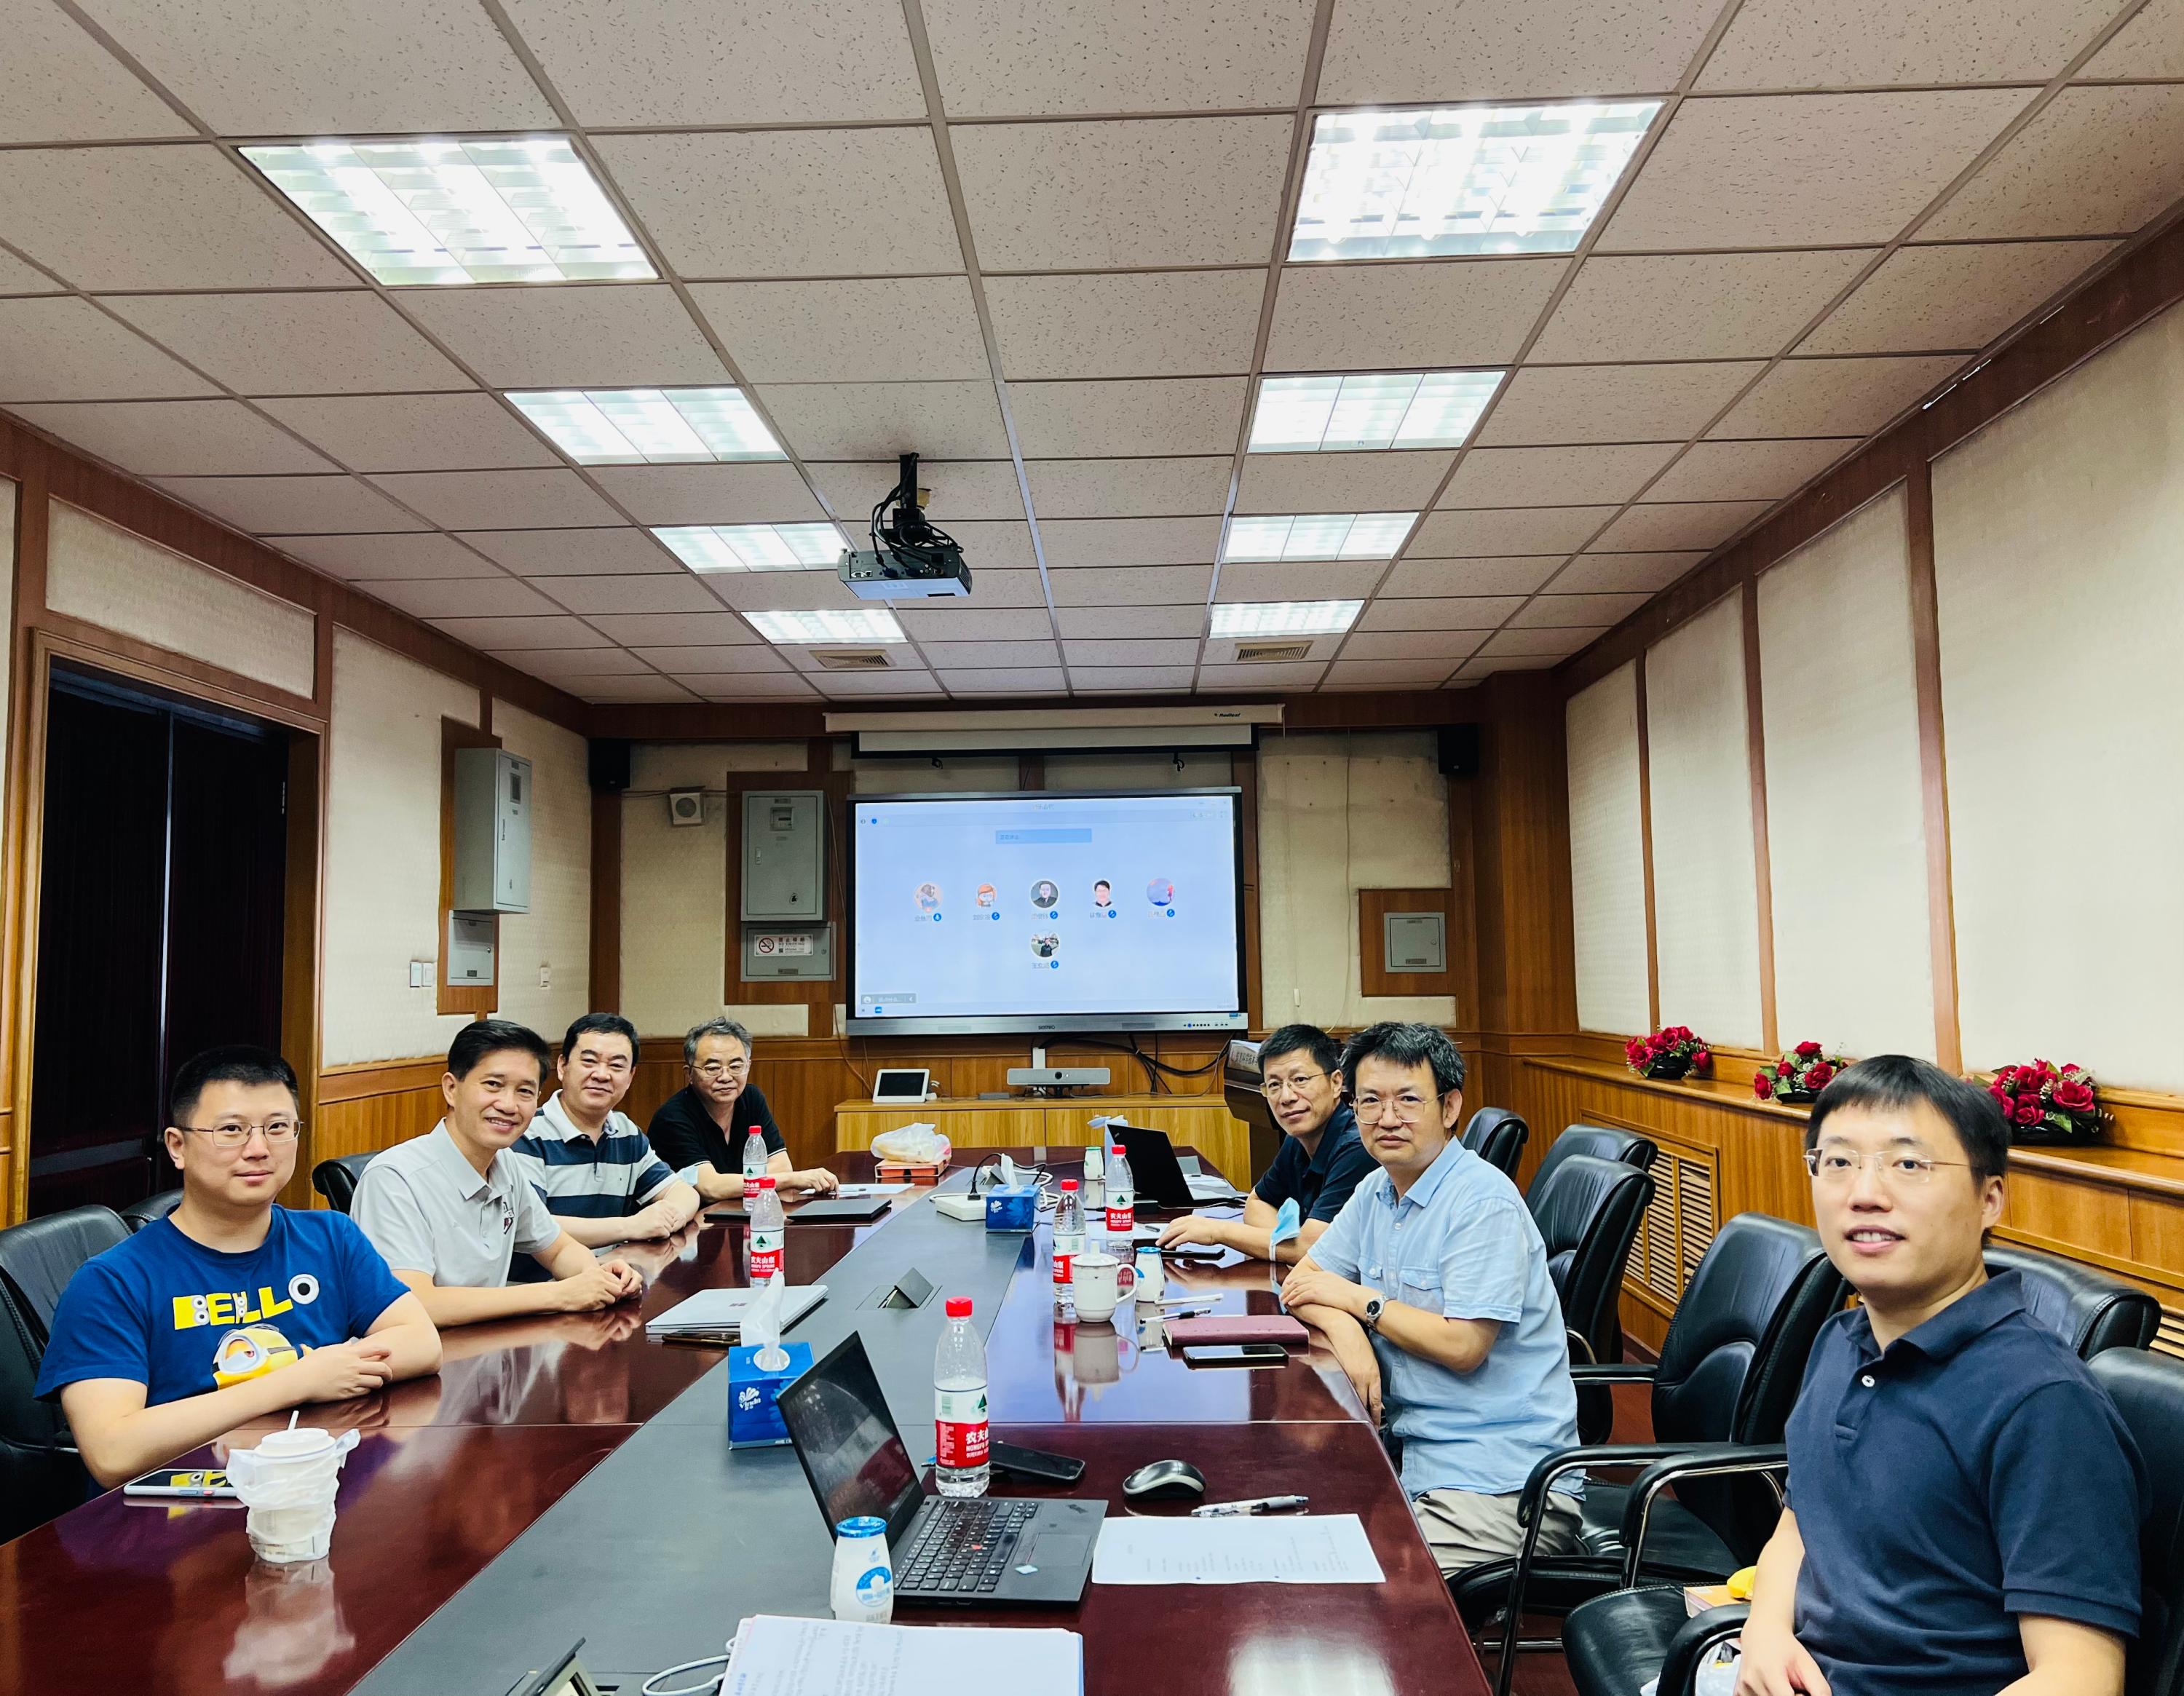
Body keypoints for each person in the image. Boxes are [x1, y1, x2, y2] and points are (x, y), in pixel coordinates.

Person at [1735, 1055, 2145, 1696]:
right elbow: (1802, 1521)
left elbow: (2082, 1678)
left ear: (1990, 1199)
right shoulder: (1840, 1340)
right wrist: (1764, 1630)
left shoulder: (2044, 1403)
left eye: (1908, 1164)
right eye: (1837, 1161)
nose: (1864, 1193)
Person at [34, 1045, 440, 1487]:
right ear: (177, 1147)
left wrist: (318, 1376)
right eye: (231, 1130)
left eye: (278, 1128)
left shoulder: (330, 1237)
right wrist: (298, 1380)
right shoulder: (111, 1282)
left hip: (306, 1485)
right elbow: (113, 1451)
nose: (259, 1149)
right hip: (177, 1509)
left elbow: (421, 1342)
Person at [1280, 1022, 1581, 1578]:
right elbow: (1304, 1281)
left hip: (1499, 1482)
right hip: (1406, 1452)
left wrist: (1363, 1305)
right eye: (1370, 1101)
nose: (1387, 1118)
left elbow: (1463, 1347)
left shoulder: (1481, 1202)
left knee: (1365, 1590)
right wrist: (1348, 1334)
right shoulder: (1378, 1189)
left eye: (1408, 1100)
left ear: (1449, 1107)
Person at [352, 1021, 644, 1328]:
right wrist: (559, 1295)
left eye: (525, 1091)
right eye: (493, 1085)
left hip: (488, 1345)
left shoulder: (505, 1163)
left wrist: (599, 1277)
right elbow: (412, 1303)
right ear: (451, 1089)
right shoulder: (394, 1178)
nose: (508, 1105)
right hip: (421, 1352)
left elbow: (559, 1249)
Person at [1157, 1023, 1374, 1264]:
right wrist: (1284, 1246)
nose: (1286, 1097)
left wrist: (1218, 1231)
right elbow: (1257, 1203)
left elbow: (1312, 1249)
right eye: (1274, 1085)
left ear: (1336, 1083)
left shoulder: (1357, 1147)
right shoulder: (1298, 1138)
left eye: (1300, 1080)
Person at [507, 1013, 700, 1245]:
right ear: (562, 1066)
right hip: (551, 1271)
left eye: (616, 1065)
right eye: (589, 1061)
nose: (601, 1075)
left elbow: (683, 1192)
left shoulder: (626, 1132)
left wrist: (670, 1219)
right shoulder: (526, 1133)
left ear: (630, 1077)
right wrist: (631, 1226)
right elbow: (532, 1225)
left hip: (616, 1266)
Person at [645, 1017, 839, 1205]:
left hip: (743, 1211)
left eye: (736, 1066)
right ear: (689, 1073)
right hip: (690, 1221)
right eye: (713, 1068)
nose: (725, 1077)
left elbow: (781, 1167)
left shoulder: (751, 1098)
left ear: (748, 1066)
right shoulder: (672, 1118)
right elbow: (711, 1188)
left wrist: (738, 1184)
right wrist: (794, 1179)